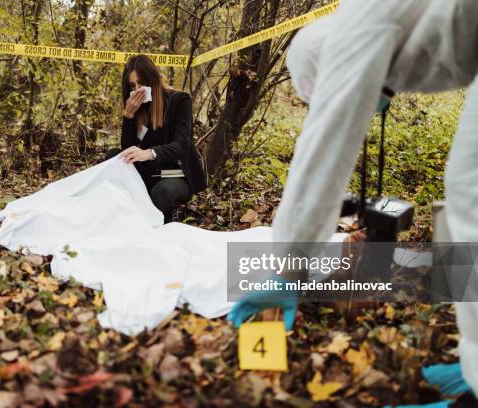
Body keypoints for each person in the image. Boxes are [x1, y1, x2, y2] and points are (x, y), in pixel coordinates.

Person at [228, 1, 478, 405]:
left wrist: (287, 272)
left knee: (471, 193)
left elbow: (323, 154)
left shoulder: (350, 35)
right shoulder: (375, 27)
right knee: (468, 187)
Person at [105, 55, 207, 223]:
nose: (137, 89)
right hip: (148, 173)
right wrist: (129, 115)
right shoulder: (136, 106)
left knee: (161, 192)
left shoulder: (179, 100)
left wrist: (150, 153)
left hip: (175, 174)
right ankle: (123, 221)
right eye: (132, 85)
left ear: (152, 80)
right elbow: (128, 149)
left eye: (141, 83)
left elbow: (181, 145)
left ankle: (159, 229)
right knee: (113, 157)